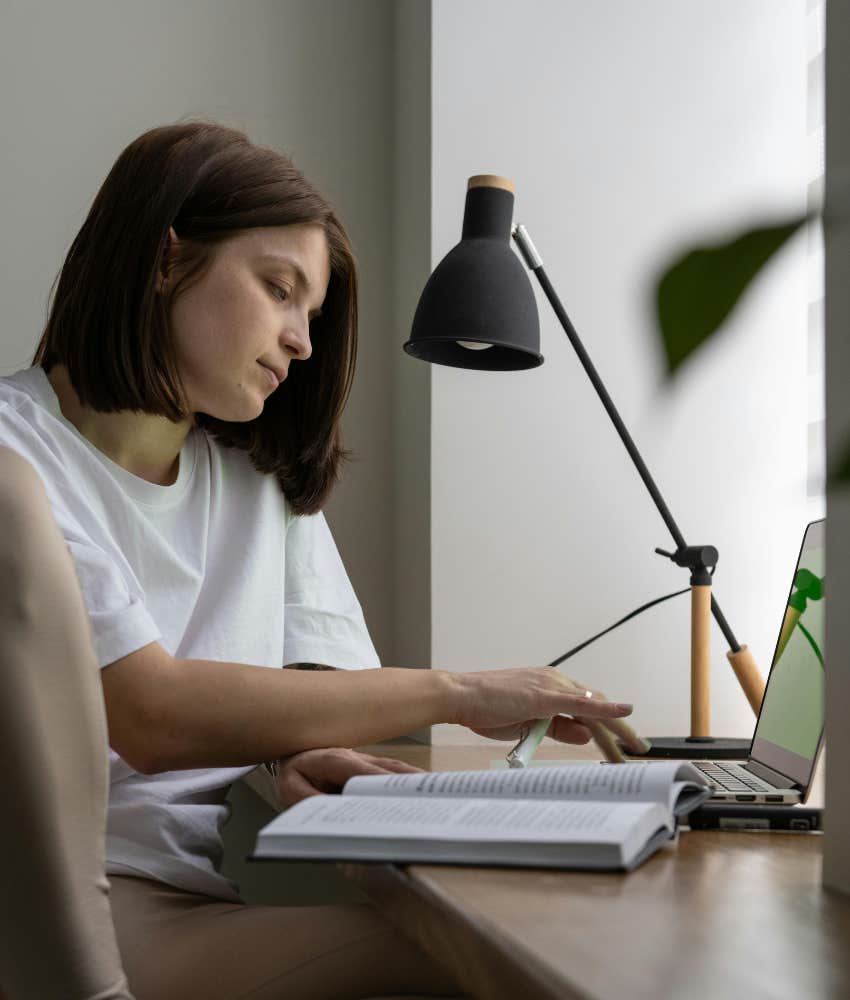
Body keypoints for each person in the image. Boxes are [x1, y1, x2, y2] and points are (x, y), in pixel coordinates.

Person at [0, 120, 647, 1000]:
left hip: (181, 905)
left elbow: (315, 690)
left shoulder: (256, 485)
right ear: (164, 261)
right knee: (504, 971)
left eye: (312, 312)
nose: (302, 340)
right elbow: (149, 712)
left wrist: (285, 753)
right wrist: (462, 693)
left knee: (553, 944)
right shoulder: (15, 461)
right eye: (279, 290)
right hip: (61, 923)